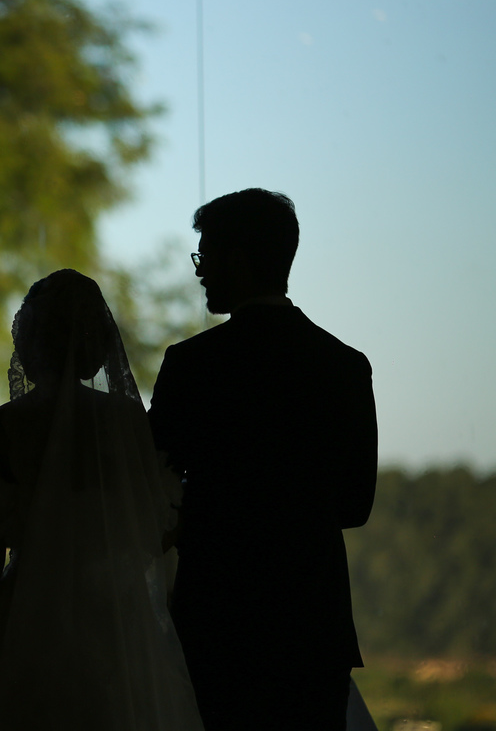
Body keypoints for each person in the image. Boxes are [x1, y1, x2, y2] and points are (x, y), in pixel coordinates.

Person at [148, 188, 378, 731]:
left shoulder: (192, 365)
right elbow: (355, 505)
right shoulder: (345, 365)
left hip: (217, 618)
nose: (200, 272)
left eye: (205, 256)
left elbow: (152, 486)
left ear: (237, 259)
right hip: (313, 623)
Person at [0, 269, 203, 731]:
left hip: (27, 621)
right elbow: (153, 535)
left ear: (29, 340)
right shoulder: (125, 421)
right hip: (116, 621)